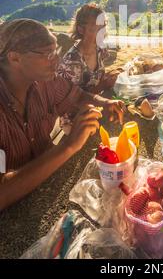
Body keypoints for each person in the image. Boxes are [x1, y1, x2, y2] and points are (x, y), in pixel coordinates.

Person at [0, 19, 125, 211]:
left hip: (46, 194)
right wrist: (69, 146)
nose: (57, 60)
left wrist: (106, 103)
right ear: (15, 58)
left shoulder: (45, 82)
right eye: (48, 54)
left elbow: (78, 96)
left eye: (56, 51)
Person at [58, 3, 120, 93]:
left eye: (103, 27)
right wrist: (103, 85)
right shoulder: (71, 63)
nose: (103, 33)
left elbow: (97, 79)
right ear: (81, 30)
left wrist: (110, 76)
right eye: (97, 28)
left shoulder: (100, 50)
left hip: (97, 103)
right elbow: (72, 100)